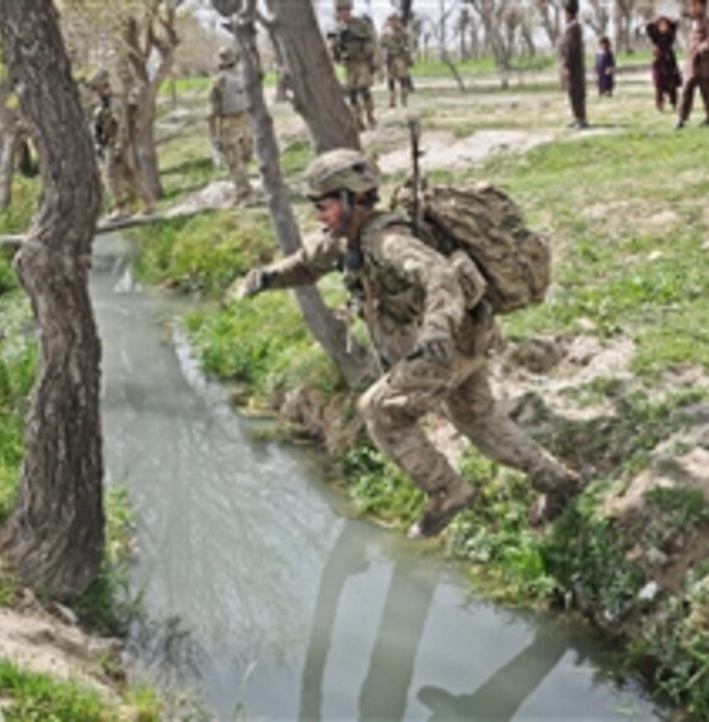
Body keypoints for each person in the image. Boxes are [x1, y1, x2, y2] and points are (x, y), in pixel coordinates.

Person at [239, 150, 582, 539]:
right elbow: (306, 262)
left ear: (351, 199)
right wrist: (266, 278)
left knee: (380, 410)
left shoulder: (387, 241)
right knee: (479, 420)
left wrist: (435, 329)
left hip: (442, 347)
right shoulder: (344, 239)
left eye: (324, 205)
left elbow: (440, 275)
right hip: (467, 338)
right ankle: (557, 481)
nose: (318, 214)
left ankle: (448, 491)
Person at [88, 70, 155, 221]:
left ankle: (121, 208)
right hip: (108, 144)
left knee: (110, 176)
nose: (95, 92)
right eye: (94, 89)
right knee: (128, 175)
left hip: (115, 144)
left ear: (105, 87)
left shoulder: (115, 103)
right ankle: (148, 202)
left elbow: (123, 125)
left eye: (97, 88)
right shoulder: (101, 105)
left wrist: (119, 145)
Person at [208, 45, 254, 206]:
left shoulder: (219, 80)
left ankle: (244, 194)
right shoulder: (243, 75)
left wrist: (212, 133)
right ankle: (244, 189)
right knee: (243, 156)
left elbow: (212, 109)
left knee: (233, 159)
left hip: (229, 122)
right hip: (246, 119)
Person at [329, 0, 380, 131]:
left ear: (350, 10)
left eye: (345, 10)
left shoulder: (361, 24)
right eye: (340, 11)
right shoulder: (338, 28)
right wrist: (337, 50)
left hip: (362, 61)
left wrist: (370, 56)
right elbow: (333, 48)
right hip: (348, 65)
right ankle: (357, 120)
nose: (343, 13)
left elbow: (372, 41)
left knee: (364, 90)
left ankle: (370, 117)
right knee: (352, 93)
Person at [677, 0, 709, 129]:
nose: (692, 8)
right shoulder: (692, 23)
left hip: (703, 65)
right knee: (686, 90)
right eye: (691, 5)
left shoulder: (708, 22)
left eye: (695, 5)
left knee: (707, 92)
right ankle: (682, 117)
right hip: (692, 64)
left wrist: (701, 49)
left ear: (703, 6)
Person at [558, 0, 589, 129]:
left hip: (574, 66)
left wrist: (566, 65)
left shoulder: (574, 27)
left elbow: (570, 49)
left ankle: (581, 118)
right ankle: (577, 117)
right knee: (572, 92)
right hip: (573, 65)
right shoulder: (570, 27)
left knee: (576, 92)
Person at [647, 16, 683, 111]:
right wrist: (654, 21)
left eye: (665, 25)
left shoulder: (670, 36)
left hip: (669, 60)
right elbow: (649, 28)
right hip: (659, 60)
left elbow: (675, 26)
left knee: (671, 84)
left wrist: (671, 22)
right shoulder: (656, 37)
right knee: (659, 85)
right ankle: (659, 104)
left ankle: (674, 102)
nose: (663, 27)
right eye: (661, 25)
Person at [380, 14, 414, 108]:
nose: (392, 22)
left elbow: (410, 43)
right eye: (390, 20)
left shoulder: (403, 32)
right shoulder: (385, 33)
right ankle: (392, 100)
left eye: (394, 20)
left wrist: (406, 50)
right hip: (390, 58)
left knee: (403, 78)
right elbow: (381, 44)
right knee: (390, 80)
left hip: (400, 57)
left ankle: (404, 99)